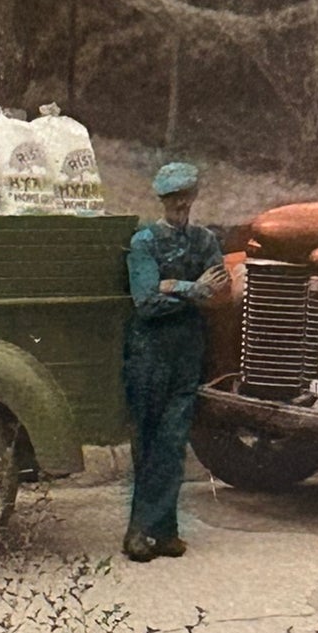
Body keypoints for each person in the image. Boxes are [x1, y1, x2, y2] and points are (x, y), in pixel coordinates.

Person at [121, 161, 230, 562]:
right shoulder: (144, 242)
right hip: (148, 352)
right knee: (148, 445)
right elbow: (146, 302)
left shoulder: (204, 241)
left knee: (172, 443)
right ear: (163, 201)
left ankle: (162, 532)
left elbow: (222, 292)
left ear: (194, 197)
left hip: (187, 352)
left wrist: (174, 287)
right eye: (173, 198)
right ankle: (140, 530)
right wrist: (193, 288)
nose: (180, 204)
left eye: (186, 196)